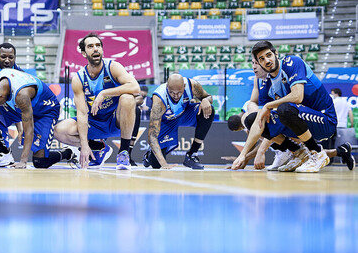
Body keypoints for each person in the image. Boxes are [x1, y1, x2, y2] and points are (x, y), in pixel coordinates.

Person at [232, 40, 343, 172]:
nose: (267, 61)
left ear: (276, 54)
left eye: (268, 55)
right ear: (259, 63)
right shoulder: (265, 84)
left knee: (284, 109)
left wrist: (268, 105)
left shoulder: (291, 62)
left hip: (325, 120)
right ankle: (299, 152)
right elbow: (259, 122)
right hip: (302, 120)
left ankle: (317, 152)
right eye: (261, 59)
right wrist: (243, 155)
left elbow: (297, 96)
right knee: (253, 119)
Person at [53, 33, 140, 169]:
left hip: (115, 120)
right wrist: (84, 145)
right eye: (90, 46)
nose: (95, 49)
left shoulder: (112, 67)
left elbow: (135, 87)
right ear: (83, 53)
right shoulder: (79, 78)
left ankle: (123, 152)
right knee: (59, 130)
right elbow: (82, 113)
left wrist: (104, 93)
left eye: (98, 46)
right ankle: (98, 148)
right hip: (93, 122)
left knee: (128, 98)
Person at [0, 68, 74, 168]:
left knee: (40, 162)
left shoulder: (21, 95)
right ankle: (3, 152)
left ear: (1, 97)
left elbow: (29, 130)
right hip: (25, 108)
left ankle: (68, 152)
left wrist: (23, 161)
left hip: (45, 111)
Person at [142, 73, 214, 170]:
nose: (175, 96)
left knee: (210, 110)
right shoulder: (159, 100)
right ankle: (149, 154)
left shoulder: (192, 85)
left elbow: (209, 97)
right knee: (156, 164)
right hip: (166, 122)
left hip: (185, 114)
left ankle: (191, 155)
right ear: (167, 87)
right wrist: (164, 164)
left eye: (179, 92)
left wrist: (206, 100)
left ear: (184, 86)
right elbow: (152, 136)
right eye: (172, 92)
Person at [330, 88, 355, 161]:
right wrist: (352, 124)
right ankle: (344, 158)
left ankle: (331, 160)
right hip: (343, 125)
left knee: (332, 144)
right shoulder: (346, 102)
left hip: (334, 125)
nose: (332, 95)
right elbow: (350, 113)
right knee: (342, 144)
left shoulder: (334, 102)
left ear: (336, 94)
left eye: (332, 93)